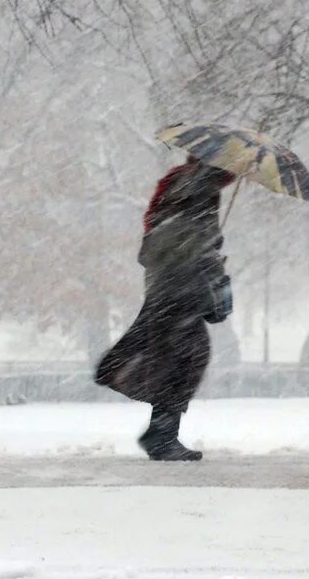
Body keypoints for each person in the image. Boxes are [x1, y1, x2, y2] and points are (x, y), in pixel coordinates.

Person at [95, 156, 236, 461]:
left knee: (175, 360)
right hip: (179, 289)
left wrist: (208, 249)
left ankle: (160, 433)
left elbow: (166, 238)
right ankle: (160, 435)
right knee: (183, 361)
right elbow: (188, 238)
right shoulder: (201, 186)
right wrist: (210, 255)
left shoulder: (184, 183)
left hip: (167, 287)